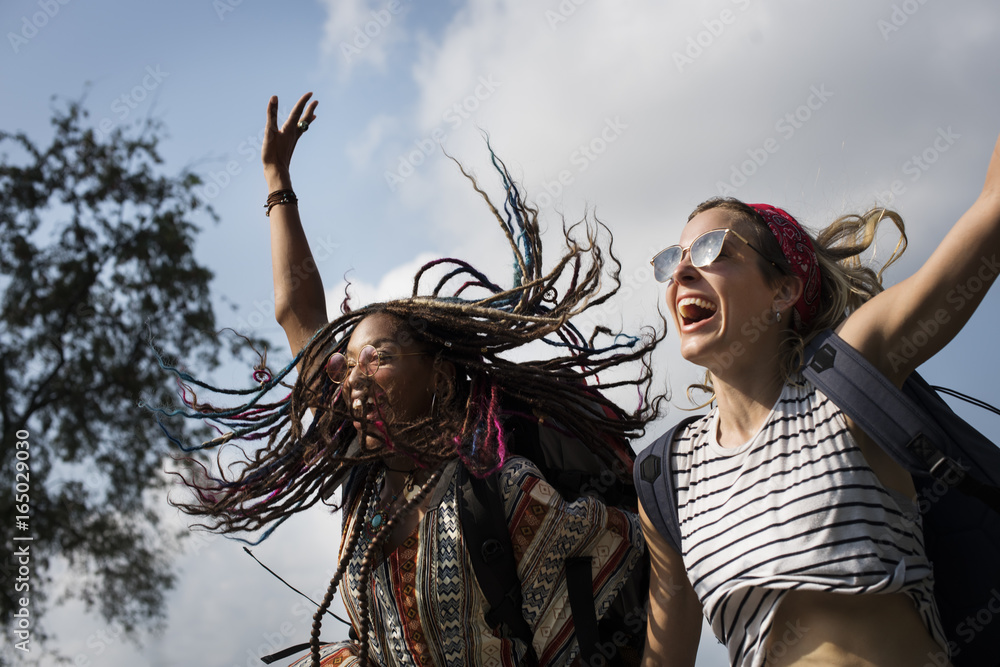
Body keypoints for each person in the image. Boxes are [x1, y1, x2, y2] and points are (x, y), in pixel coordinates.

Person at [157, 93, 664, 667]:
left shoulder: (501, 488)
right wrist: (277, 179)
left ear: (441, 377)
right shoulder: (365, 475)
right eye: (346, 365)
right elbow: (296, 313)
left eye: (379, 357)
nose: (354, 378)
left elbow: (597, 602)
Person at [636, 132, 1000, 667]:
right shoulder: (664, 476)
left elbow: (991, 216)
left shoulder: (852, 372)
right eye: (674, 259)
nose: (683, 272)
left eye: (714, 250)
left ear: (783, 290)